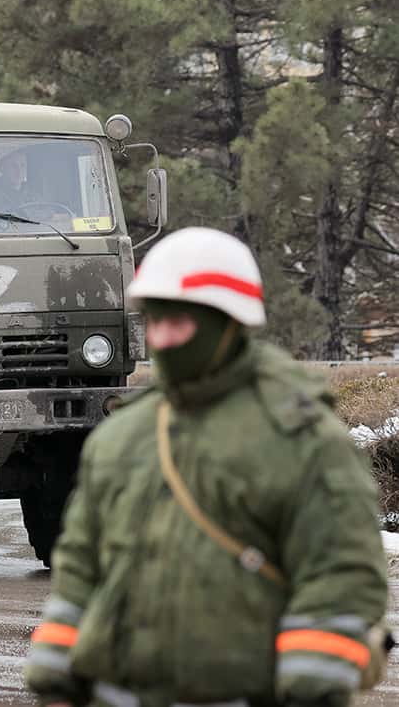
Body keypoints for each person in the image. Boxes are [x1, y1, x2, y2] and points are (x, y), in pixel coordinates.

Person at [25, 227, 389, 707]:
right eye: (154, 321)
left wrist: (313, 685)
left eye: (179, 323)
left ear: (229, 324)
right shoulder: (120, 438)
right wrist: (55, 676)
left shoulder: (301, 438)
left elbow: (339, 574)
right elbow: (81, 567)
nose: (161, 339)